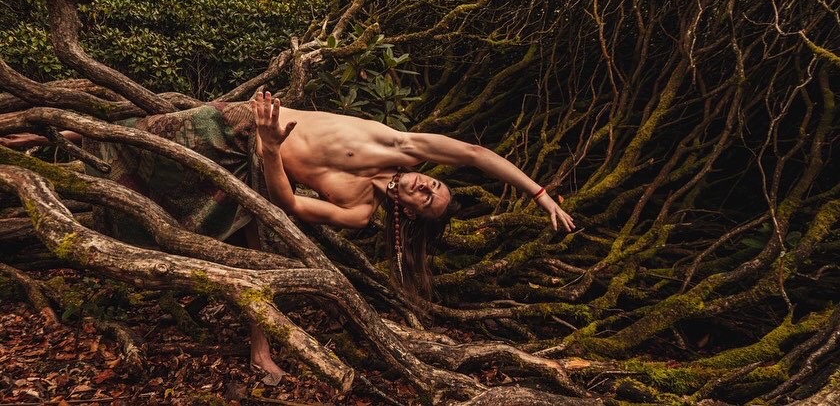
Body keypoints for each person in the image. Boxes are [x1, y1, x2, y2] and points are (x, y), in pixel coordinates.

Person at [2, 92, 575, 381]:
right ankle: (37, 137)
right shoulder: (401, 145)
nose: (427, 185)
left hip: (262, 167)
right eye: (435, 184)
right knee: (133, 135)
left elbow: (290, 205)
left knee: (254, 253)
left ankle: (261, 346)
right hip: (240, 127)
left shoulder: (359, 211)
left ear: (409, 214)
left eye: (428, 198)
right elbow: (473, 153)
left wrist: (274, 151)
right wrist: (539, 193)